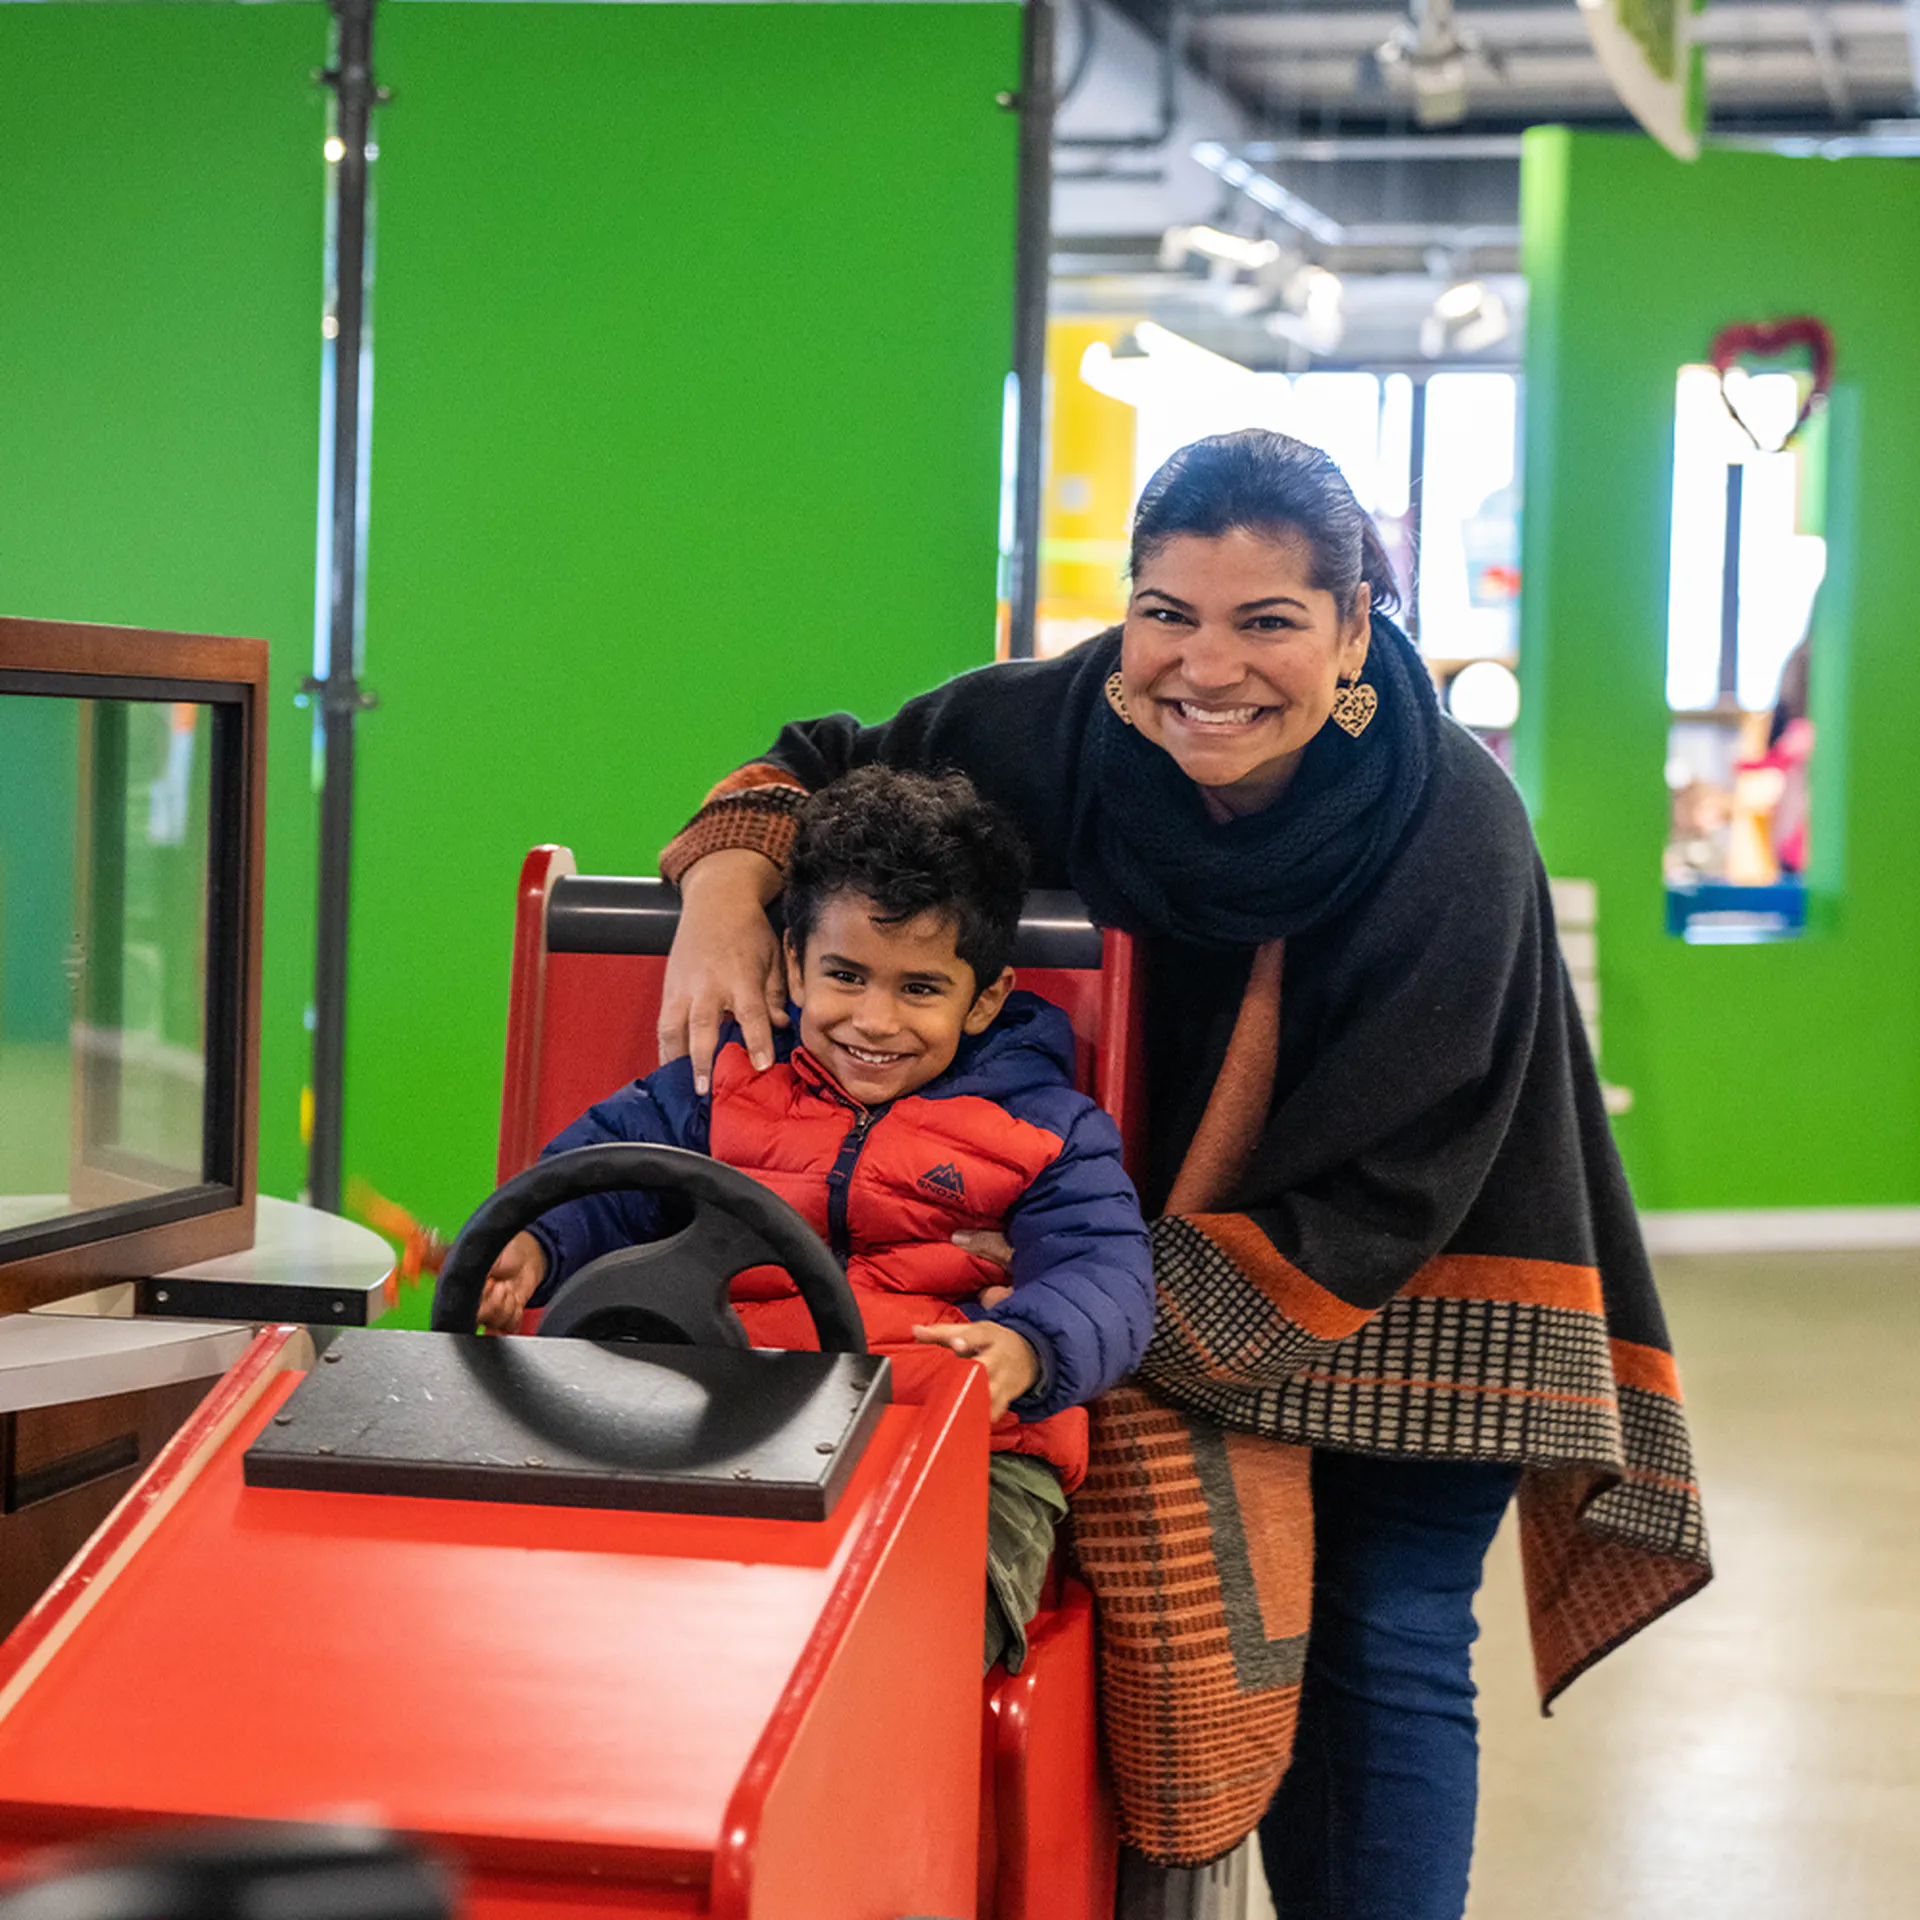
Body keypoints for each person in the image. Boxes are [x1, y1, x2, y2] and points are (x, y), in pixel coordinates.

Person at [651, 430, 1712, 1919]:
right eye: (1168, 613)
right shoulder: (1057, 726)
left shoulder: (1453, 828)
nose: (1205, 669)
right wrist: (721, 890)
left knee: (1383, 1632)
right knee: (1181, 1627)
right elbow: (815, 768)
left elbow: (1400, 1178)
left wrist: (1094, 1306)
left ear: (1356, 629)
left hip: (1430, 1258)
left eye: (1267, 621)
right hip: (1160, 1238)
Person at [477, 764, 1155, 1673]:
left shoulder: (1050, 1129)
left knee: (896, 1646)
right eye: (845, 975)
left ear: (985, 997)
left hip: (958, 1452)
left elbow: (1105, 1276)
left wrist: (1028, 1347)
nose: (873, 1020)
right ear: (792, 962)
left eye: (920, 989)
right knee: (569, 1598)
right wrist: (529, 1244)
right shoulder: (723, 1079)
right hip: (715, 1417)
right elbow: (595, 1181)